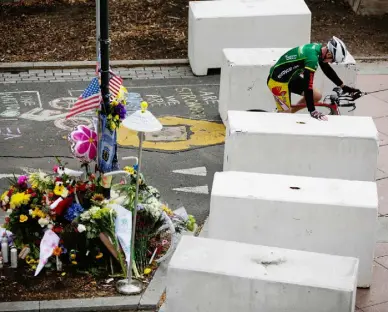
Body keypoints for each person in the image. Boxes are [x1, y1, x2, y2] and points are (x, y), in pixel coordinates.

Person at [267, 36, 360, 120]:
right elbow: (308, 85)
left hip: (291, 77)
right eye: (333, 60)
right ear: (328, 54)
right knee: (285, 117)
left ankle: (288, 111)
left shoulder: (318, 50)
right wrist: (312, 110)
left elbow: (327, 70)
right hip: (277, 81)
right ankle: (282, 115)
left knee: (316, 96)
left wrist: (343, 87)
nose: (331, 62)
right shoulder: (312, 59)